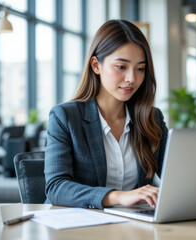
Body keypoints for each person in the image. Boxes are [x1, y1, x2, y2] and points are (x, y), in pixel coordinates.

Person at [44, 19, 168, 210]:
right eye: (121, 67)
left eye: (140, 69)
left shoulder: (152, 118)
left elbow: (177, 177)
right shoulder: (66, 117)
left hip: (134, 226)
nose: (132, 79)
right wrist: (119, 197)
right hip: (78, 227)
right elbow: (56, 188)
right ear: (96, 65)